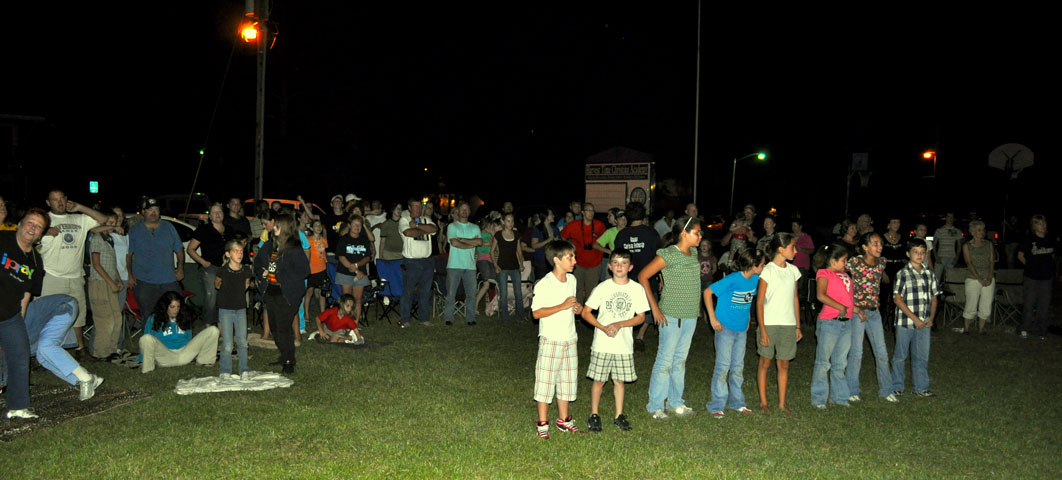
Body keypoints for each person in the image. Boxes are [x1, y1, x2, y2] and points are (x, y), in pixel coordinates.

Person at [639, 217, 702, 420]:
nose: (700, 236)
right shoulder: (668, 254)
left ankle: (675, 402)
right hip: (671, 315)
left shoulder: (694, 252)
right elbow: (643, 276)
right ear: (684, 233)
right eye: (697, 233)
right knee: (665, 361)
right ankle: (655, 406)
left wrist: (665, 280)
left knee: (680, 361)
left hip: (690, 315)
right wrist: (655, 309)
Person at [580, 250, 648, 432]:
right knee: (599, 381)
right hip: (602, 343)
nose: (619, 266)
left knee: (619, 381)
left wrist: (620, 324)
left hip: (623, 344)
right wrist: (602, 327)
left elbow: (641, 316)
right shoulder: (602, 288)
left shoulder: (636, 289)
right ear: (609, 267)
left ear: (630, 267)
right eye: (616, 263)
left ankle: (619, 415)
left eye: (624, 263)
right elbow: (585, 312)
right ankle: (594, 414)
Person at [39, 189, 110, 356]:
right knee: (47, 315)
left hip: (76, 275)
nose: (60, 202)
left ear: (66, 199)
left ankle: (80, 347)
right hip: (51, 275)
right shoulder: (44, 219)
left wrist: (80, 207)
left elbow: (103, 219)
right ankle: (41, 351)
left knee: (78, 314)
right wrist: (44, 231)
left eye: (62, 198)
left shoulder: (80, 219)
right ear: (48, 203)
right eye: (55, 200)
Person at [704, 249, 766, 419]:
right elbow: (707, 292)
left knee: (738, 367)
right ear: (753, 265)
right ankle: (716, 404)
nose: (764, 267)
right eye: (762, 264)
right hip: (725, 329)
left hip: (741, 330)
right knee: (723, 366)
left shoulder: (755, 279)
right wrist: (712, 318)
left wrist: (747, 319)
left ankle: (737, 402)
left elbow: (748, 300)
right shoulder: (732, 279)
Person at [531, 240, 583, 439]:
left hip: (570, 338)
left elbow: (571, 304)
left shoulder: (572, 280)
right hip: (551, 339)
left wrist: (576, 307)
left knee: (567, 381)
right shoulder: (545, 283)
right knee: (545, 382)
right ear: (556, 260)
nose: (574, 261)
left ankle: (564, 420)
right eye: (570, 257)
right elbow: (536, 313)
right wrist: (562, 306)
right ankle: (542, 423)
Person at [845, 232, 899, 403]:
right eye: (875, 243)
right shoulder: (854, 263)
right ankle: (852, 389)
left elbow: (879, 278)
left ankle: (886, 390)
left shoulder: (881, 262)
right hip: (858, 313)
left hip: (874, 313)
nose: (879, 247)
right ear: (864, 247)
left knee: (882, 352)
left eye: (880, 243)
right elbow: (836, 272)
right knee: (856, 352)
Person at [254, 214, 310, 373]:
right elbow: (258, 261)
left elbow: (305, 271)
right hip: (270, 291)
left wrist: (280, 275)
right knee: (274, 327)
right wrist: (261, 272)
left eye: (277, 225)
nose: (274, 227)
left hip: (287, 293)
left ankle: (289, 360)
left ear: (284, 228)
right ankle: (284, 354)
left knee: (283, 328)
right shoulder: (270, 245)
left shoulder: (294, 248)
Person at [755, 233, 802, 413]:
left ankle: (782, 404)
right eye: (792, 247)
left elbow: (795, 298)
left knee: (784, 364)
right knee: (765, 362)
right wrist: (763, 330)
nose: (795, 251)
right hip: (770, 323)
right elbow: (759, 302)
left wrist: (797, 325)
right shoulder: (768, 270)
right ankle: (763, 403)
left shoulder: (793, 271)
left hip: (788, 324)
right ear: (781, 249)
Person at [891, 238, 940, 397]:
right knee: (900, 355)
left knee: (921, 357)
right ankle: (897, 386)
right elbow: (897, 299)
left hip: (925, 323)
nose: (919, 256)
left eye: (922, 252)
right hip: (905, 322)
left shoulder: (929, 274)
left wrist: (931, 318)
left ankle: (920, 387)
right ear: (908, 253)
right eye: (915, 252)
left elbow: (934, 298)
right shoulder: (903, 274)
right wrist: (915, 319)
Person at [127, 197, 185, 327]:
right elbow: (128, 255)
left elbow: (179, 249)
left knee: (176, 311)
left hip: (168, 279)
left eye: (156, 209)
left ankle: (172, 341)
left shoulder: (169, 227)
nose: (153, 212)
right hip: (144, 281)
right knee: (148, 315)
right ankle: (149, 344)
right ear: (143, 212)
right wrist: (129, 275)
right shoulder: (134, 231)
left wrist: (180, 268)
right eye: (149, 210)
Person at [810, 245, 854, 409]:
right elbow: (821, 295)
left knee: (840, 362)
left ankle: (840, 397)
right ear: (833, 260)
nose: (846, 263)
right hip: (830, 322)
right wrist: (840, 307)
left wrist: (854, 309)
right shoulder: (824, 273)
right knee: (823, 362)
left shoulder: (845, 275)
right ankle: (819, 398)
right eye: (843, 260)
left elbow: (847, 298)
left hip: (846, 322)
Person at [138, 291, 220, 373]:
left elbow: (189, 337)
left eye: (178, 307)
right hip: (166, 356)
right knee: (146, 338)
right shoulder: (154, 318)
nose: (176, 310)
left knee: (213, 330)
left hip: (184, 354)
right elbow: (147, 341)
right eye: (172, 307)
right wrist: (142, 358)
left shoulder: (184, 316)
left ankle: (205, 361)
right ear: (165, 306)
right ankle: (148, 370)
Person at [614, 202, 659, 351]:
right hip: (649, 278)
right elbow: (659, 257)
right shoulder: (651, 233)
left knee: (626, 307)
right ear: (643, 215)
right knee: (648, 308)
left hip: (626, 278)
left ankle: (628, 335)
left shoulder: (622, 235)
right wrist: (662, 278)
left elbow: (617, 257)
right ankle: (640, 335)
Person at [88, 213, 124, 361]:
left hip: (110, 282)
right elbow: (96, 264)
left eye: (114, 222)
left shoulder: (109, 239)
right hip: (99, 284)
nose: (112, 225)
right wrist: (110, 282)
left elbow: (111, 263)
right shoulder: (96, 239)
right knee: (105, 320)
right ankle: (100, 353)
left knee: (117, 318)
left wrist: (118, 279)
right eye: (109, 222)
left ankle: (111, 349)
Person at [215, 239, 254, 376]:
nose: (239, 254)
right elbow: (217, 284)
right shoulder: (223, 270)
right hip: (225, 309)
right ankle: (225, 370)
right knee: (227, 344)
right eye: (236, 251)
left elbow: (247, 283)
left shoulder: (246, 270)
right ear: (228, 254)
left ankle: (243, 370)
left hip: (240, 309)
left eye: (241, 251)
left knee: (243, 341)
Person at [187, 202, 228, 326]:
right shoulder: (204, 230)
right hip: (210, 267)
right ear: (209, 216)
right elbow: (190, 249)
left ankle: (222, 325)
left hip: (226, 267)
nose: (217, 214)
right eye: (214, 212)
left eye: (219, 212)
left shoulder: (229, 230)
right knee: (212, 296)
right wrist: (203, 262)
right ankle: (208, 325)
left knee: (225, 296)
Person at [399, 198, 438, 327]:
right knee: (408, 291)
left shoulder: (426, 219)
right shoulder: (404, 219)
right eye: (415, 207)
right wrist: (425, 230)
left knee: (425, 291)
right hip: (411, 261)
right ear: (409, 208)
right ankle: (405, 319)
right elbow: (408, 232)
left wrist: (417, 226)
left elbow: (434, 229)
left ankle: (424, 318)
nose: (418, 209)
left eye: (419, 207)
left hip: (427, 260)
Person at [1018, 215, 1057, 338]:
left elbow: (1053, 256)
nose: (1043, 226)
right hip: (1031, 278)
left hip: (1046, 278)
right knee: (1029, 304)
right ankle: (1025, 328)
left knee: (1044, 306)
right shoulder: (1029, 239)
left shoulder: (1050, 239)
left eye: (1044, 223)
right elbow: (1020, 255)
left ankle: (1041, 330)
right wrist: (1029, 266)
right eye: (1040, 224)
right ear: (1034, 226)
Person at [445, 202, 482, 326]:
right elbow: (455, 243)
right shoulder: (452, 226)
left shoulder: (475, 227)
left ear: (469, 212)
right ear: (458, 211)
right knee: (451, 294)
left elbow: (480, 242)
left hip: (470, 266)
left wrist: (462, 240)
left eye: (467, 209)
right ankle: (448, 318)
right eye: (462, 209)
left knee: (471, 294)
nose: (464, 211)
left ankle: (470, 318)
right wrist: (472, 243)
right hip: (454, 265)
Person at [561, 202, 605, 304]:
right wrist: (569, 248)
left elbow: (605, 240)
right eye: (588, 210)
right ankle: (577, 313)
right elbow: (563, 236)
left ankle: (588, 314)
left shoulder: (599, 225)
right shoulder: (574, 225)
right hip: (577, 264)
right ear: (582, 212)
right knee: (577, 289)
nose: (591, 213)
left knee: (592, 290)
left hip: (594, 263)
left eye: (592, 210)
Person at [333, 215, 371, 327]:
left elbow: (367, 257)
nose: (357, 227)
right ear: (350, 226)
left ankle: (355, 324)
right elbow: (341, 256)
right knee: (346, 300)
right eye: (355, 224)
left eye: (359, 225)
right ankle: (344, 323)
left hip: (361, 273)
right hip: (345, 272)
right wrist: (353, 268)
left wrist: (356, 265)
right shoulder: (344, 239)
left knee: (358, 300)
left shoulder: (364, 239)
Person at [961, 220, 996, 335]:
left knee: (986, 303)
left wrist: (990, 277)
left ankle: (981, 328)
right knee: (971, 302)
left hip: (988, 276)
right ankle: (966, 327)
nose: (982, 232)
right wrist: (979, 278)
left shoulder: (988, 244)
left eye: (983, 230)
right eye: (979, 230)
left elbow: (991, 261)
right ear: (972, 232)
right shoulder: (967, 246)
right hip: (973, 277)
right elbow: (969, 263)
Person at [490, 213, 526, 323]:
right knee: (504, 293)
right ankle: (505, 317)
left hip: (514, 267)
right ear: (503, 222)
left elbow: (519, 250)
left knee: (518, 293)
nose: (510, 223)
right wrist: (496, 265)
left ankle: (520, 317)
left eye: (512, 221)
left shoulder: (516, 234)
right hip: (502, 267)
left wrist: (521, 263)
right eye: (508, 221)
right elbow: (492, 251)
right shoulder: (498, 235)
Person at [304, 219, 329, 321]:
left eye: (320, 226)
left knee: (322, 293)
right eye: (316, 226)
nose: (318, 228)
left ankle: (323, 314)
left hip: (322, 268)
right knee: (309, 292)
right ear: (311, 228)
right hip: (311, 270)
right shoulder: (308, 240)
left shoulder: (324, 240)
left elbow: (324, 254)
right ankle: (306, 314)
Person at [527, 210, 559, 280]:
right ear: (546, 216)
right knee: (541, 281)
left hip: (553, 259)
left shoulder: (554, 228)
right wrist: (548, 240)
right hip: (542, 260)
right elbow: (534, 245)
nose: (553, 216)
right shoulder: (538, 229)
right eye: (551, 214)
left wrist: (557, 241)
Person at [933, 213, 962, 282]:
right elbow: (934, 244)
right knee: (936, 279)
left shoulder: (957, 231)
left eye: (952, 217)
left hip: (951, 257)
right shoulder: (939, 230)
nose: (950, 219)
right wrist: (936, 257)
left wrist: (956, 258)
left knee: (949, 279)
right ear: (945, 218)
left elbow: (959, 245)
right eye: (948, 217)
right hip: (940, 257)